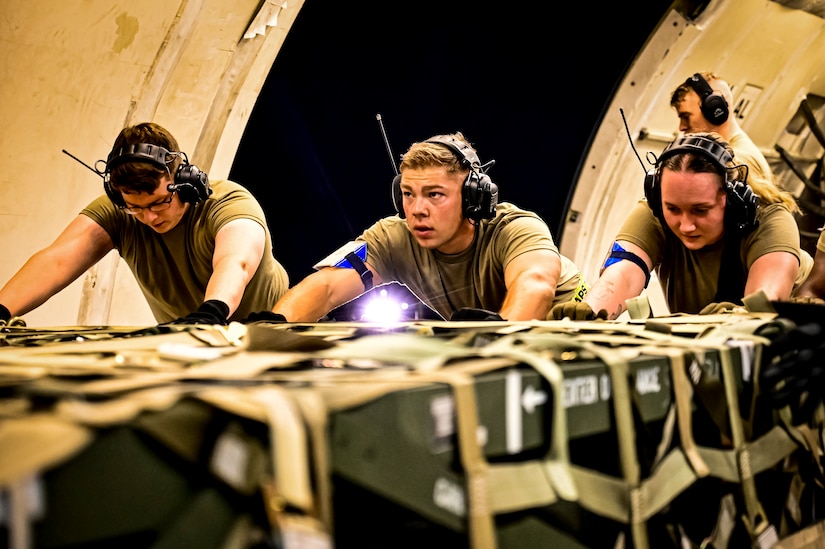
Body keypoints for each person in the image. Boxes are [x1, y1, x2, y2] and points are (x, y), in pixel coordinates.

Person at [267, 132, 588, 322]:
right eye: (408, 194)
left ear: (472, 197)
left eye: (435, 195)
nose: (417, 210)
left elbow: (534, 286)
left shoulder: (516, 228)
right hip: (490, 347)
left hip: (570, 333)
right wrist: (265, 336)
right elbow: (324, 288)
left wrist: (493, 351)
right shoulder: (392, 237)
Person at [0, 122, 289, 326]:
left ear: (183, 182)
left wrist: (213, 310)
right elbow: (57, 261)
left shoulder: (228, 202)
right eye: (135, 207)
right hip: (197, 344)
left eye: (159, 202)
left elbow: (235, 262)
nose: (149, 217)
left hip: (275, 334)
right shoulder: (119, 213)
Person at [552, 132, 811, 321]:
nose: (685, 225)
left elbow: (763, 306)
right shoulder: (654, 213)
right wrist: (592, 313)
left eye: (701, 210)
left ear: (731, 201)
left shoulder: (771, 222)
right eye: (673, 209)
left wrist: (740, 317)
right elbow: (624, 272)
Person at [670, 71, 800, 216]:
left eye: (686, 117)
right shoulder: (733, 152)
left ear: (715, 111)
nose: (681, 127)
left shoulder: (739, 161)